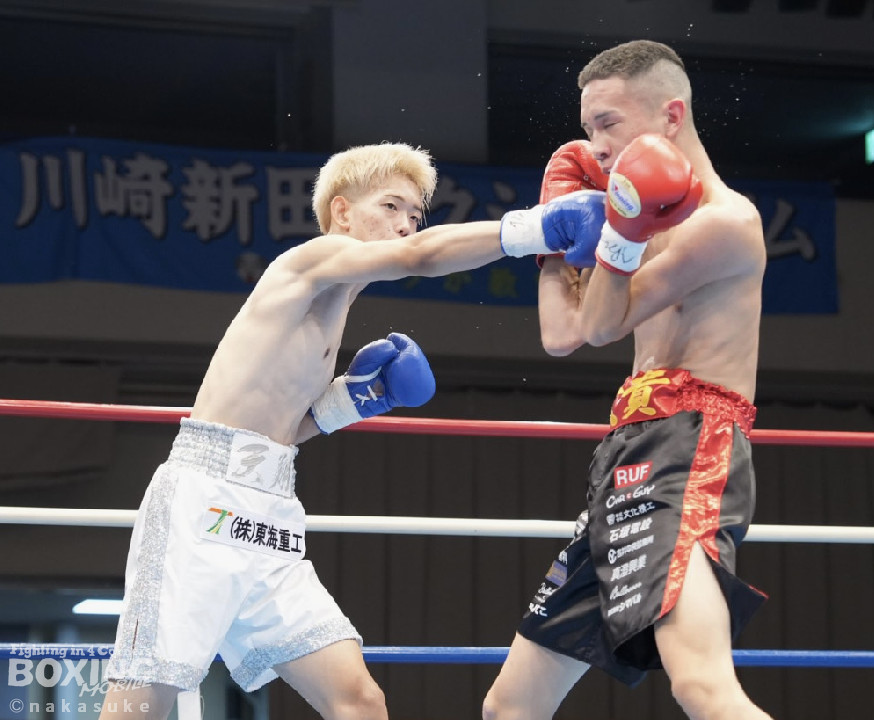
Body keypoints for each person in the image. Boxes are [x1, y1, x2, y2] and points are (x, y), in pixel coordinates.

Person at [99, 142, 606, 720]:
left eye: (413, 214)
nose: (405, 225)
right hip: (202, 506)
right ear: (341, 211)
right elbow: (418, 257)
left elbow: (281, 431)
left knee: (359, 701)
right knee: (142, 703)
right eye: (390, 206)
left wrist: (350, 402)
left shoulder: (333, 303)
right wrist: (538, 228)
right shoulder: (309, 261)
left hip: (270, 516)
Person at [482, 40, 773, 720]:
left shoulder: (726, 224)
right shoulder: (635, 220)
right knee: (510, 707)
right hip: (625, 455)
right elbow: (562, 334)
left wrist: (612, 231)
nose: (596, 146)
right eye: (588, 128)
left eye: (608, 123)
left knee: (701, 686)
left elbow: (602, 324)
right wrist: (558, 239)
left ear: (671, 115)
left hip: (690, 449)